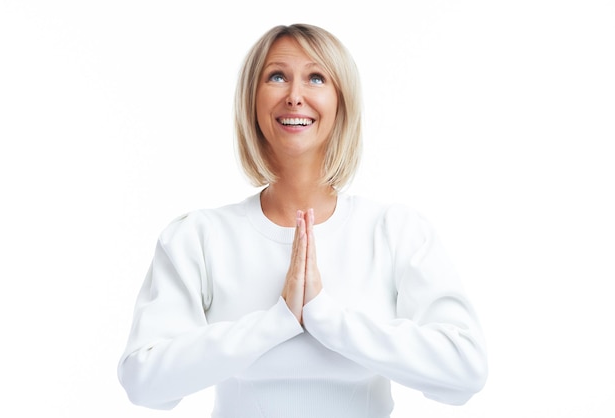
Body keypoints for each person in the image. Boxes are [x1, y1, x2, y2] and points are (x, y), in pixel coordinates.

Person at [117, 23, 488, 417]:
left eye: (316, 77)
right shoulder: (197, 237)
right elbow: (145, 382)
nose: (295, 96)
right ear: (251, 99)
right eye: (277, 76)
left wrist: (326, 317)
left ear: (341, 100)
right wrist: (277, 321)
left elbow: (465, 370)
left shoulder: (395, 232)